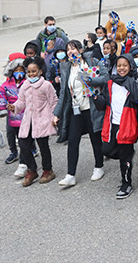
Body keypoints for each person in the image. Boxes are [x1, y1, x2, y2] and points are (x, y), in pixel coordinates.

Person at [52, 40, 108, 187]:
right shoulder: (66, 68)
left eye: (74, 49)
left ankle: (99, 166)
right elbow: (64, 93)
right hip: (76, 109)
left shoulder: (91, 61)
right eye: (68, 50)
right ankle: (70, 174)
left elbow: (106, 77)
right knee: (72, 140)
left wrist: (92, 80)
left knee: (95, 138)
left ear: (81, 50)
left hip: (91, 107)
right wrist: (56, 113)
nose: (71, 52)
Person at [94, 54, 138, 198]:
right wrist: (97, 99)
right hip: (112, 123)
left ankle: (126, 183)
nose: (121, 68)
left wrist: (132, 84)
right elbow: (104, 103)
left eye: (125, 65)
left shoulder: (134, 81)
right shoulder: (110, 83)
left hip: (127, 123)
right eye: (119, 65)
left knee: (125, 156)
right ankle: (126, 156)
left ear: (130, 67)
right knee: (106, 150)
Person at [7, 56, 58, 187]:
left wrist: (54, 117)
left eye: (34, 71)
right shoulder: (25, 85)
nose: (31, 74)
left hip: (42, 120)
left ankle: (48, 170)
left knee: (43, 146)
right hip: (28, 120)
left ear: (40, 71)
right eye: (29, 72)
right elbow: (21, 101)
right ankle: (32, 169)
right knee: (23, 145)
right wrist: (14, 107)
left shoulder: (46, 85)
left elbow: (54, 102)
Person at [0, 53, 27, 173]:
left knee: (25, 136)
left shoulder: (27, 83)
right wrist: (3, 109)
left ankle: (29, 152)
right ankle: (13, 151)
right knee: (10, 133)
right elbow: (2, 97)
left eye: (21, 70)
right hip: (12, 115)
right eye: (16, 70)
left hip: (25, 114)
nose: (18, 72)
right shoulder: (6, 85)